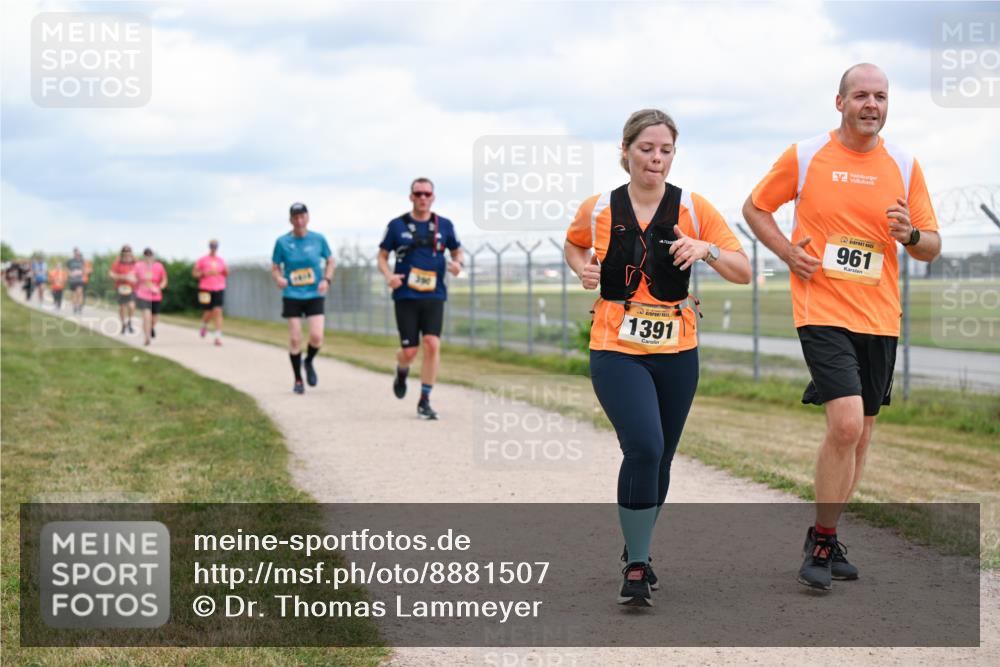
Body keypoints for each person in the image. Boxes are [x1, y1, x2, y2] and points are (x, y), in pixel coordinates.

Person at [742, 63, 941, 592]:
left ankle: (828, 536)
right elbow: (755, 207)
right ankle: (823, 538)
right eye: (860, 95)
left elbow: (931, 245)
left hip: (880, 316)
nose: (871, 104)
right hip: (822, 308)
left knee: (864, 432)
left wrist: (912, 232)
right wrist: (787, 253)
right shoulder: (807, 155)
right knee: (847, 425)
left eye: (880, 96)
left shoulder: (903, 162)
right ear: (840, 103)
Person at [565, 109, 751, 606]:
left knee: (662, 457)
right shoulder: (600, 207)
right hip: (616, 347)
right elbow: (574, 243)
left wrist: (705, 248)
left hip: (677, 350)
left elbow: (743, 270)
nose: (656, 158)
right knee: (644, 446)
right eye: (646, 148)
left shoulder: (693, 207)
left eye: (666, 150)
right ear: (625, 151)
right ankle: (637, 567)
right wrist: (584, 268)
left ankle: (637, 543)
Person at [377, 178, 463, 420]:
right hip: (406, 295)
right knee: (410, 351)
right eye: (418, 194)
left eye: (427, 194)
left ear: (433, 197)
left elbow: (457, 250)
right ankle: (402, 369)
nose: (423, 198)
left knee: (433, 344)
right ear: (411, 197)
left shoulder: (444, 225)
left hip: (435, 294)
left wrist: (458, 263)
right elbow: (382, 256)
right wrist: (388, 275)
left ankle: (424, 399)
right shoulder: (396, 225)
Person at [271, 202, 334, 394]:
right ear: (291, 220)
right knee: (295, 338)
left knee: (316, 336)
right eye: (295, 217)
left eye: (302, 216)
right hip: (292, 295)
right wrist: (279, 278)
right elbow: (275, 266)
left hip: (314, 293)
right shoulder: (282, 242)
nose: (299, 220)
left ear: (308, 217)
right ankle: (298, 379)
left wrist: (326, 279)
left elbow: (330, 260)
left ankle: (308, 361)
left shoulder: (318, 239)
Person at [193, 239, 228, 346]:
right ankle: (204, 325)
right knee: (208, 311)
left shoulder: (221, 260)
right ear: (209, 247)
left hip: (219, 287)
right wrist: (205, 273)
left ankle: (217, 336)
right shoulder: (202, 260)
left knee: (218, 310)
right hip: (205, 288)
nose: (214, 248)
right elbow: (195, 274)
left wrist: (222, 271)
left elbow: (226, 273)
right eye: (212, 246)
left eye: (215, 246)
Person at [134, 248, 168, 346]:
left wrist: (160, 287)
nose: (148, 257)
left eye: (150, 255)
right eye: (146, 255)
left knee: (154, 318)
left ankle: (151, 328)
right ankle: (147, 338)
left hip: (156, 295)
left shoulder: (159, 266)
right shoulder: (138, 265)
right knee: (146, 316)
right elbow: (134, 277)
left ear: (153, 255)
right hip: (143, 294)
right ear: (144, 255)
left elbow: (164, 279)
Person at [109, 245, 138, 334]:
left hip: (132, 288)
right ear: (122, 253)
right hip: (121, 288)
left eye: (128, 251)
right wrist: (124, 277)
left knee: (131, 306)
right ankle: (123, 325)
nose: (127, 253)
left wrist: (136, 279)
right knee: (122, 307)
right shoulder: (117, 263)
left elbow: (141, 275)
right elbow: (111, 274)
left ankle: (130, 322)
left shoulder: (136, 263)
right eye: (125, 251)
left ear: (131, 252)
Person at [66, 248, 87, 314]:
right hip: (72, 280)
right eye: (76, 253)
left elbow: (84, 269)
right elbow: (67, 269)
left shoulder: (82, 261)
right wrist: (70, 274)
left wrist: (81, 272)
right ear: (74, 253)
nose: (77, 254)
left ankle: (79, 307)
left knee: (79, 293)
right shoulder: (70, 261)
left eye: (78, 253)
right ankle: (75, 307)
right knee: (74, 294)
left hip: (80, 280)